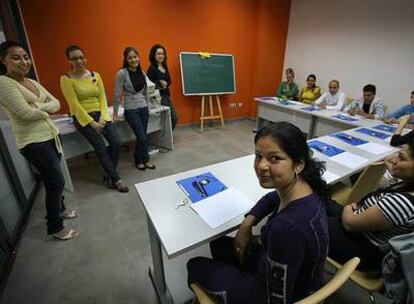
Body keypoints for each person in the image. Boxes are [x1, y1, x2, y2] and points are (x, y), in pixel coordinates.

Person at [187, 122, 329, 304]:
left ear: (298, 164)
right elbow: (272, 198)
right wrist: (248, 223)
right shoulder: (305, 188)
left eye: (274, 158)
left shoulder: (286, 228)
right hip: (295, 273)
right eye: (258, 156)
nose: (261, 166)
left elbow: (274, 298)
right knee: (218, 244)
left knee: (195, 265)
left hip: (279, 294)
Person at [0, 41, 79, 240]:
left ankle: (60, 209)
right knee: (56, 181)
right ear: (4, 60)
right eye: (15, 57)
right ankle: (55, 226)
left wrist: (38, 107)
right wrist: (43, 107)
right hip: (33, 141)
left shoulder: (32, 82)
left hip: (50, 135)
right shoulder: (4, 83)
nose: (23, 61)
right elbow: (25, 113)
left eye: (25, 57)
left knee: (54, 179)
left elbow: (57, 103)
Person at [326, 140, 414, 271]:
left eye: (401, 157)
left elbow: (349, 224)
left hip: (361, 249)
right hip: (360, 229)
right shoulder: (406, 184)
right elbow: (389, 159)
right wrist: (395, 165)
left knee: (305, 214)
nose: (394, 159)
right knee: (319, 199)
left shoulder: (403, 203)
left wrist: (349, 208)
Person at [60, 45, 128, 192]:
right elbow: (74, 104)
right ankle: (116, 179)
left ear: (85, 58)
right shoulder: (66, 79)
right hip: (83, 118)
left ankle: (108, 172)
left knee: (116, 143)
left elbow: (102, 97)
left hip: (101, 114)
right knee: (101, 149)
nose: (79, 61)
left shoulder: (95, 75)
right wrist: (92, 123)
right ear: (69, 60)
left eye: (81, 57)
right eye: (74, 58)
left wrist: (104, 117)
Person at [113, 47, 155, 171]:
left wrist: (148, 105)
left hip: (143, 108)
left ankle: (145, 160)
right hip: (131, 109)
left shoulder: (142, 72)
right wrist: (115, 112)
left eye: (135, 57)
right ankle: (138, 160)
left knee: (144, 136)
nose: (133, 59)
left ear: (138, 57)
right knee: (141, 137)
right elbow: (117, 93)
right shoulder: (122, 73)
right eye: (130, 57)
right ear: (126, 59)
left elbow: (146, 91)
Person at [147, 44, 178, 129]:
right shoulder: (152, 68)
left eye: (162, 54)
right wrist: (159, 83)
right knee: (166, 119)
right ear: (154, 55)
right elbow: (148, 84)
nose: (161, 56)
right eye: (158, 54)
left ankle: (167, 137)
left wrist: (166, 83)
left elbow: (169, 80)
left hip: (166, 96)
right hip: (157, 98)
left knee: (174, 118)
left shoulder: (164, 66)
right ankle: (164, 139)